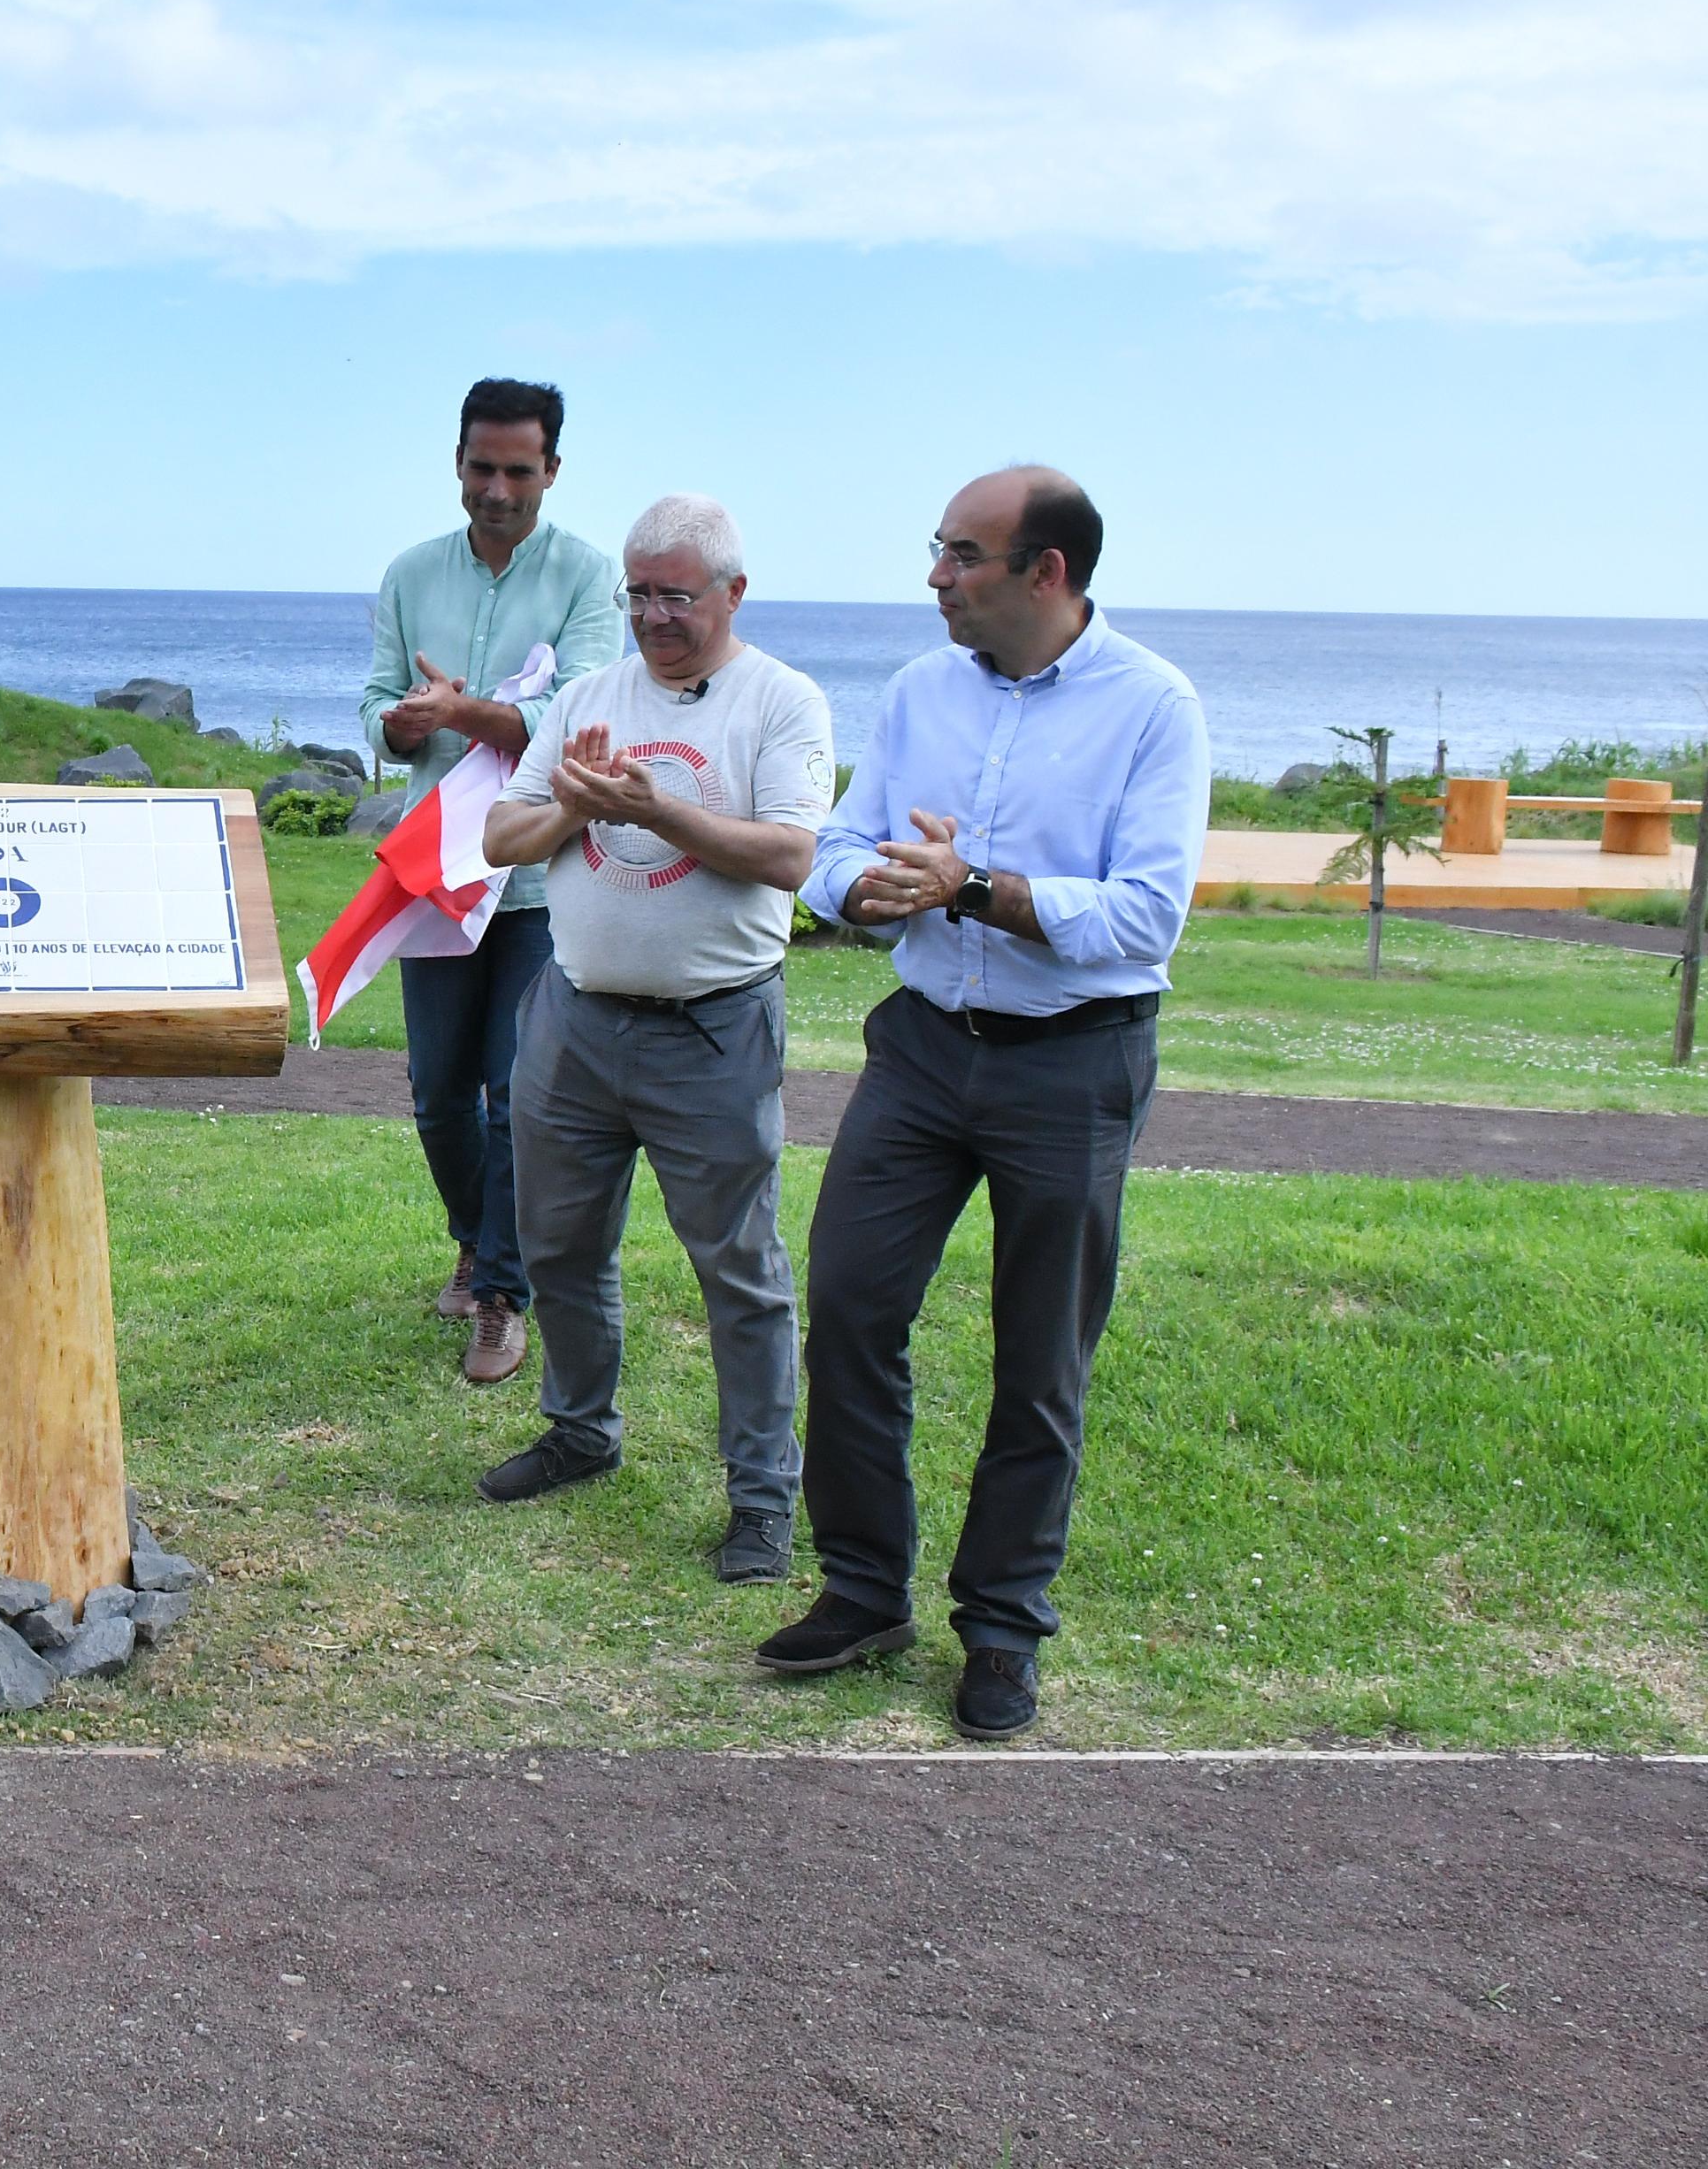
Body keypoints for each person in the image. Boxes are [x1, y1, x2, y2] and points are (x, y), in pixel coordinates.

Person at [755, 467, 1206, 1743]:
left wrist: (974, 888)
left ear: (1045, 574)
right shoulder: (916, 692)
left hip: (1072, 1062)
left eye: (962, 555)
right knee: (847, 1303)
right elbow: (837, 853)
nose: (937, 577)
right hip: (920, 1050)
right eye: (939, 551)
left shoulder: (1155, 709)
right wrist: (874, 892)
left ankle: (1003, 1629)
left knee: (1041, 1355)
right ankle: (862, 1589)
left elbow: (1145, 917)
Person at [470, 496, 835, 1583]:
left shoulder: (782, 702)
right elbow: (500, 838)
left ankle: (763, 1497)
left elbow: (787, 856)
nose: (655, 614)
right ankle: (581, 1431)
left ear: (733, 592)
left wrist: (654, 809)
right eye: (639, 591)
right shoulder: (590, 696)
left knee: (741, 1271)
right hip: (575, 1020)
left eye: (677, 593)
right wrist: (579, 808)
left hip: (712, 1030)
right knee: (561, 1248)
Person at [363, 378, 624, 1384]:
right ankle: (476, 1240)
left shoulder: (588, 576)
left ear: (552, 471)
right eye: (483, 467)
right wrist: (401, 724)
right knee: (437, 1093)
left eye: (520, 469)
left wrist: (463, 712)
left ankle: (503, 1295)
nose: (499, 488)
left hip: (533, 877)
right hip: (434, 872)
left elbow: (573, 717)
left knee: (519, 1091)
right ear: (458, 464)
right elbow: (381, 703)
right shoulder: (409, 572)